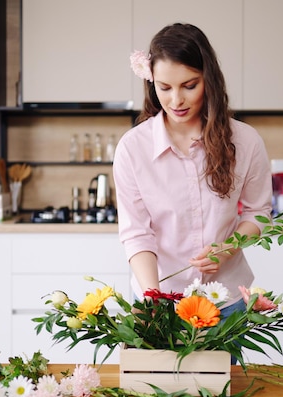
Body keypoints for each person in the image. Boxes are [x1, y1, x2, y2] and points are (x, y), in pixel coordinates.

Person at [113, 23, 272, 315]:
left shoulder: (245, 141)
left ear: (209, 80)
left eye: (189, 85)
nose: (177, 100)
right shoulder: (133, 148)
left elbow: (258, 213)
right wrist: (153, 299)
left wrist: (227, 250)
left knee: (225, 365)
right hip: (159, 299)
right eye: (164, 88)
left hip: (225, 301)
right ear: (152, 84)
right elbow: (137, 234)